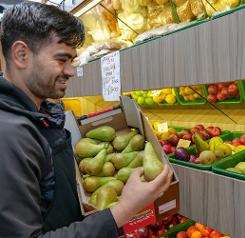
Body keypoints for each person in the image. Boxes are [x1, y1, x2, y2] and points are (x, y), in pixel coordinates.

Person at [0, 2, 172, 237]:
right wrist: (124, 210)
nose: (71, 71)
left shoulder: (37, 115)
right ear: (21, 55)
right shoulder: (8, 136)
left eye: (72, 61)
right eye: (62, 60)